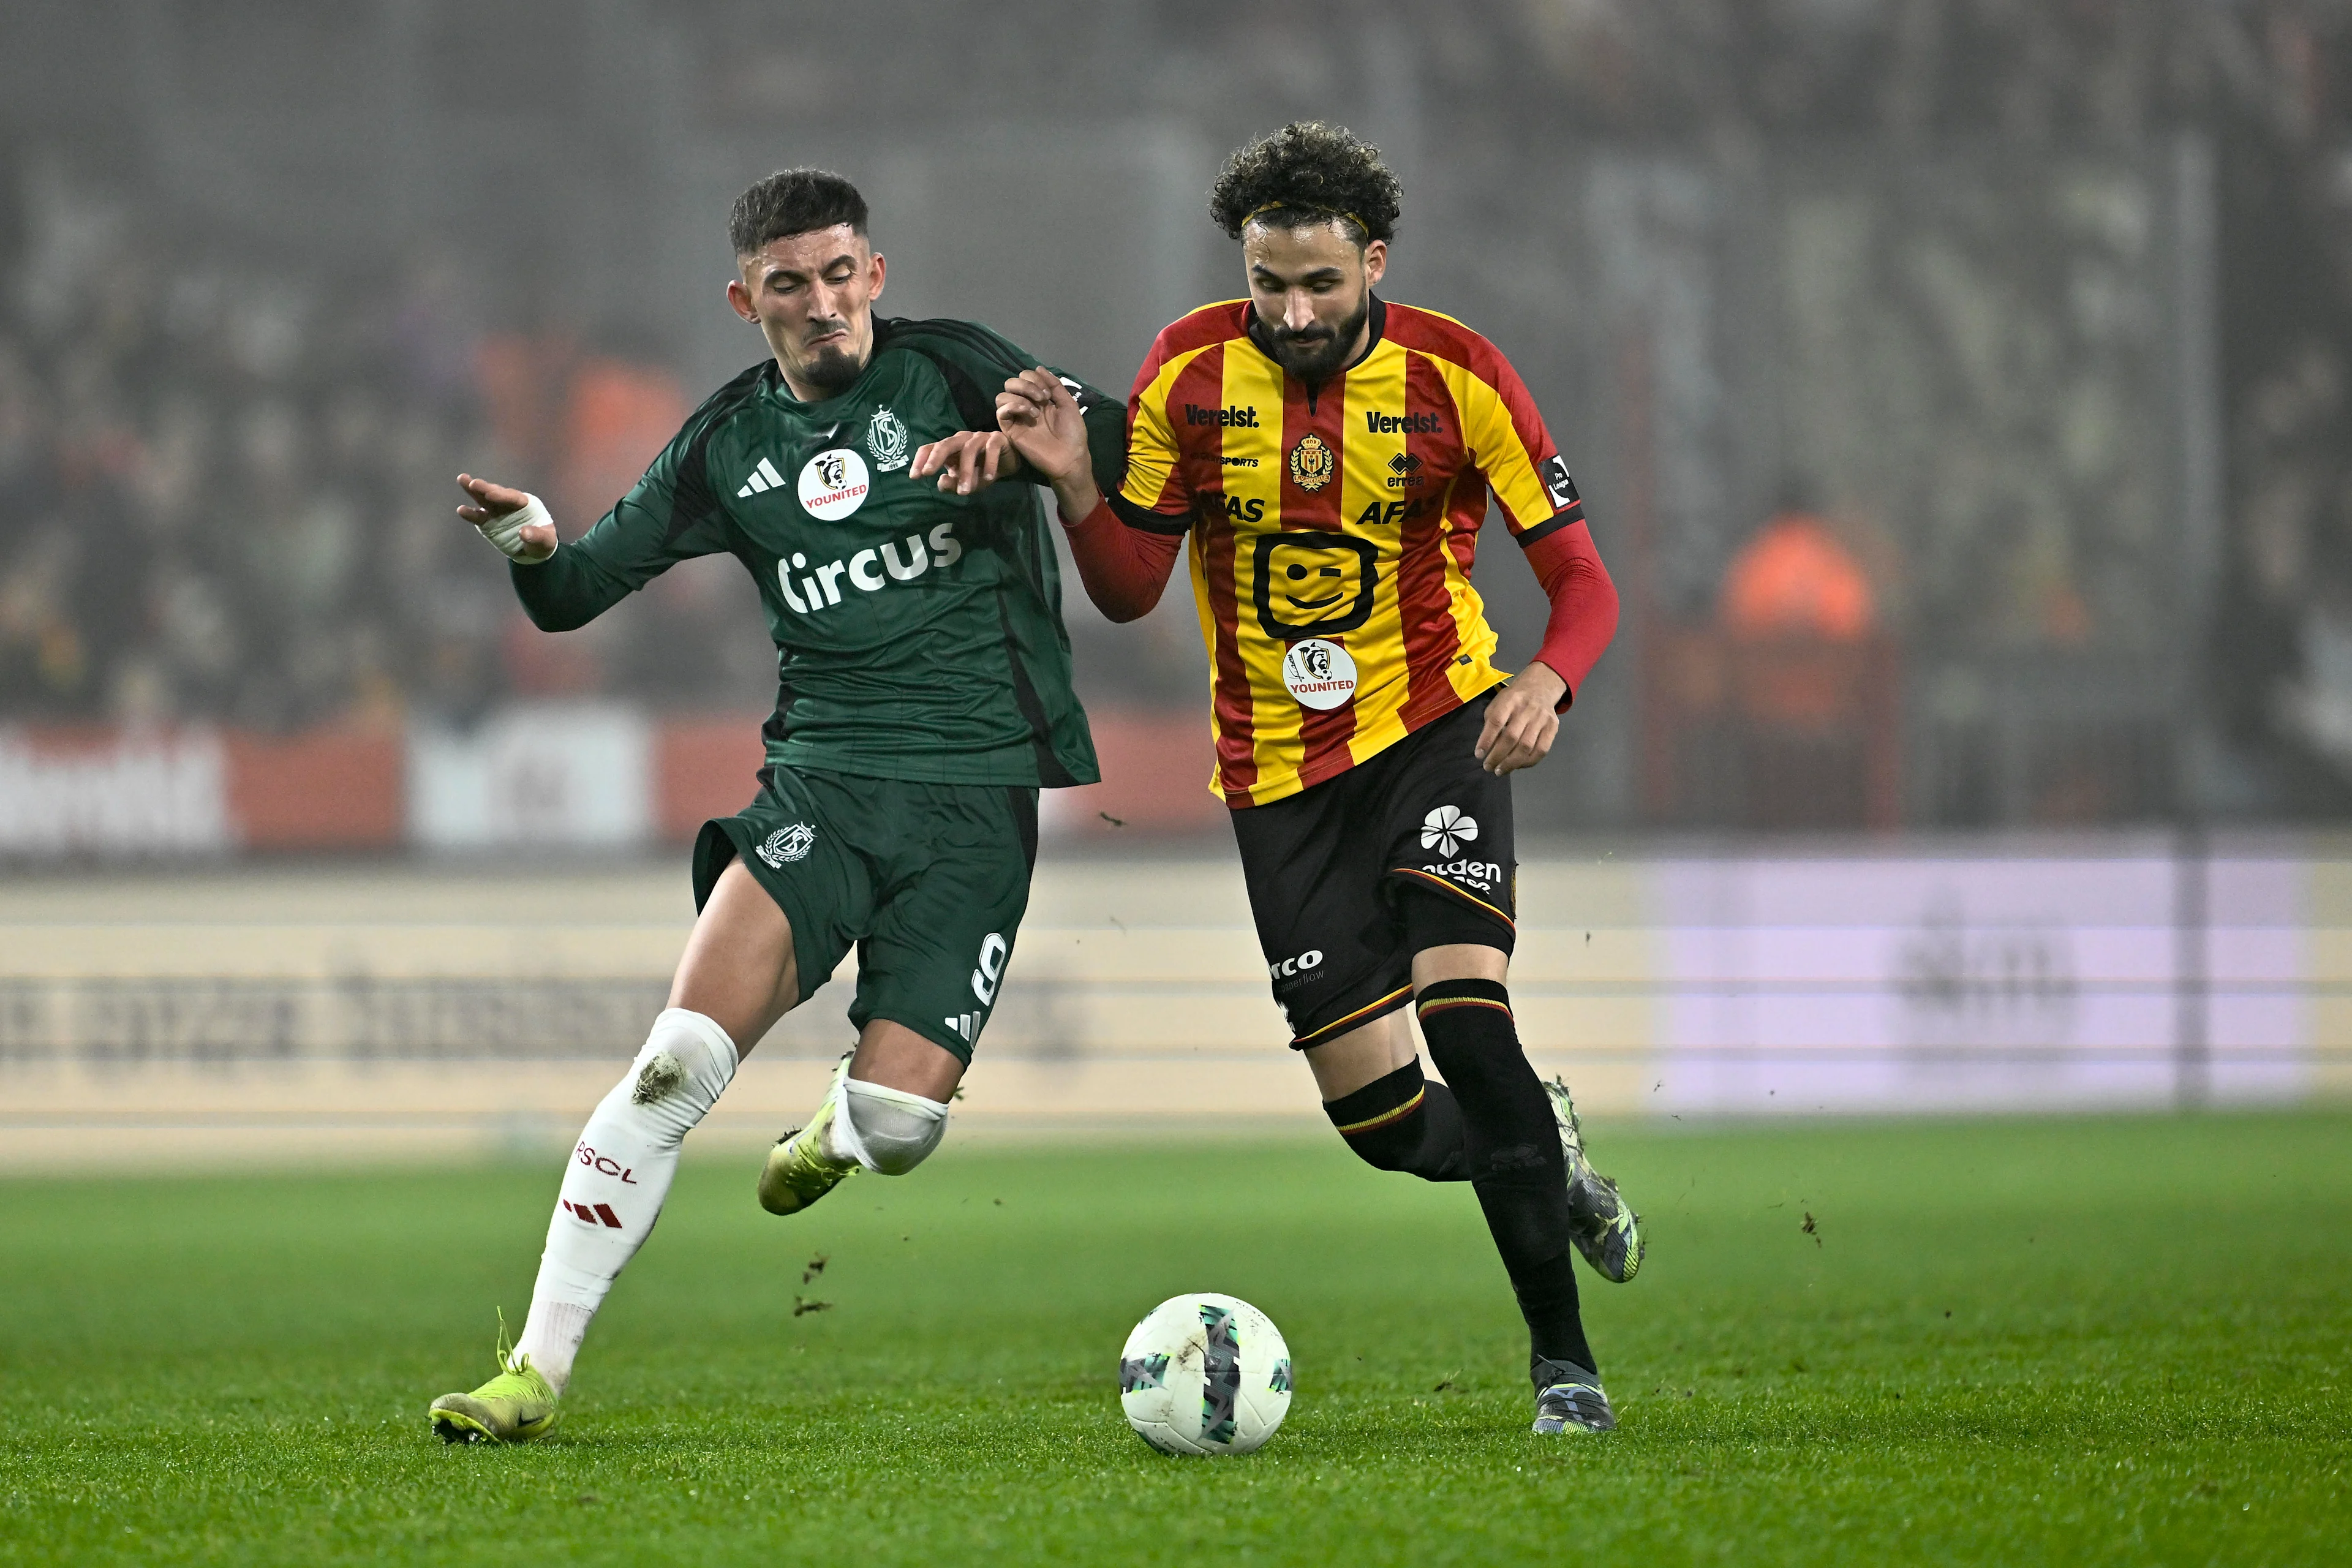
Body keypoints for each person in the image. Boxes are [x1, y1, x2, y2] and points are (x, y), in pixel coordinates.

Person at [949, 122, 1638, 1435]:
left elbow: (1584, 580)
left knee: (1468, 1022)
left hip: (1437, 727)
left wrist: (1550, 680)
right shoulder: (1189, 371)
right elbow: (1132, 585)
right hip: (1274, 776)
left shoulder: (1461, 375)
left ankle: (1565, 1366)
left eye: (1321, 282)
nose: (1294, 309)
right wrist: (1077, 486)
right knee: (1381, 1121)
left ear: (1374, 260)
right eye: (1270, 281)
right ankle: (1550, 1167)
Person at [427, 168, 1125, 1444]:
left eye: (842, 272)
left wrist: (1051, 453)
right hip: (825, 783)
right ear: (746, 300)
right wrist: (532, 541)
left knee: (904, 1127)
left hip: (979, 800)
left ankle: (840, 1127)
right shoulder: (724, 446)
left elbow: (1132, 461)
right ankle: (532, 1367)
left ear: (878, 274)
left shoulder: (966, 371)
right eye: (790, 284)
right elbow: (576, 591)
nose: (823, 303)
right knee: (673, 1062)